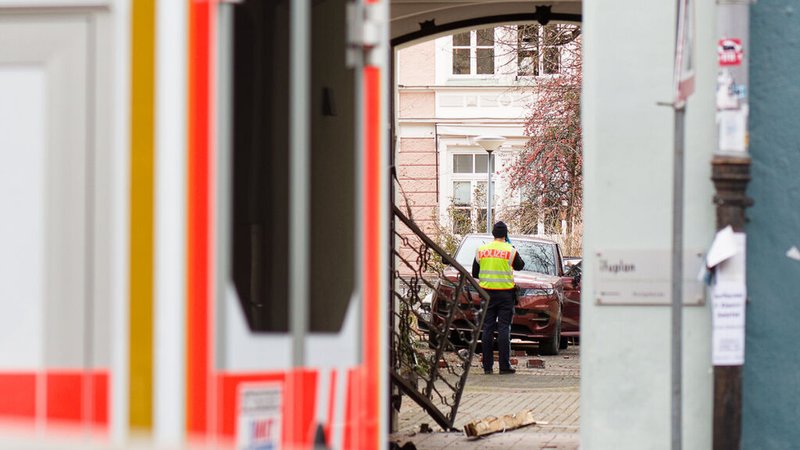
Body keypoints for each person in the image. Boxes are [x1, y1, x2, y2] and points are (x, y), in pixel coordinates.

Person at [472, 221, 525, 374]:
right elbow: (520, 266)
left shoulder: (481, 250)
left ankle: (487, 367)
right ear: (505, 234)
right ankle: (504, 366)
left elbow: (475, 273)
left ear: (493, 234)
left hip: (486, 294)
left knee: (487, 329)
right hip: (505, 295)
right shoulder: (510, 250)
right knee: (504, 329)